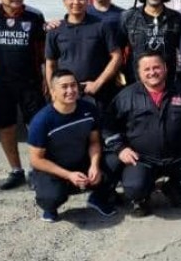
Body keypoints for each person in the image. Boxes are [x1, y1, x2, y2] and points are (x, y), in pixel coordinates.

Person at [102, 51, 181, 217]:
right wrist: (120, 148)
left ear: (165, 68)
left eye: (156, 67)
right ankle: (141, 199)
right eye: (147, 69)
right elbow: (108, 127)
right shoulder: (126, 96)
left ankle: (174, 188)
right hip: (142, 159)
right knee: (134, 187)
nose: (152, 72)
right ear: (139, 73)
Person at [0, 0, 47, 190]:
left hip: (30, 83)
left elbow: (45, 51)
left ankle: (39, 171)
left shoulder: (34, 16)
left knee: (36, 128)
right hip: (1, 84)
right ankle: (16, 171)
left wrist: (47, 78)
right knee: (6, 127)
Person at [28, 69, 116, 222]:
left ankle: (98, 198)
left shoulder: (89, 109)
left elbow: (94, 142)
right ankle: (49, 205)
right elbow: (36, 160)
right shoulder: (41, 120)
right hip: (54, 169)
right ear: (53, 91)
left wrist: (94, 166)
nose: (70, 90)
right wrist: (68, 175)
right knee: (51, 196)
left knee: (115, 161)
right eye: (64, 87)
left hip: (80, 161)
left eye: (73, 85)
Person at [45, 0, 122, 113]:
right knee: (72, 131)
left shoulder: (101, 26)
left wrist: (98, 83)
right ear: (64, 1)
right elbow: (50, 64)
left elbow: (117, 56)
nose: (76, 2)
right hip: (67, 93)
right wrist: (54, 91)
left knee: (98, 131)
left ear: (87, 1)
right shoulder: (55, 30)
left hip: (98, 92)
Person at [120, 0, 181, 83]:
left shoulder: (176, 19)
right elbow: (117, 52)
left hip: (169, 85)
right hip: (136, 84)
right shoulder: (128, 18)